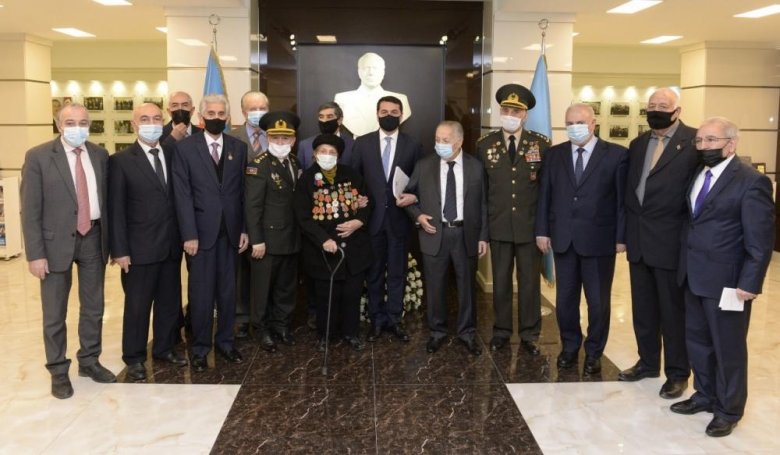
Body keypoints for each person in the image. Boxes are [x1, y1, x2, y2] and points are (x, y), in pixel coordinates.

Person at [671, 117, 774, 437]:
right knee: (698, 342)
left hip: (728, 282)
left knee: (728, 348)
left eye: (711, 140)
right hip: (693, 276)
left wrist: (749, 282)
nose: (704, 146)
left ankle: (729, 409)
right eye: (700, 141)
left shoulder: (752, 181)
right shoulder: (698, 174)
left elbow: (760, 240)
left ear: (731, 144)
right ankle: (705, 395)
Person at [21, 103, 115, 399]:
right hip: (54, 244)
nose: (78, 128)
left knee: (94, 307)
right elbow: (30, 210)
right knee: (54, 312)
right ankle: (58, 370)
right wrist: (35, 254)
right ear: (59, 124)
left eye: (83, 122)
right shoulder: (38, 156)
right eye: (71, 122)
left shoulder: (99, 155)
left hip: (93, 238)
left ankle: (89, 360)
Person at [535, 103, 628, 374]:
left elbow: (622, 201)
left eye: (580, 122)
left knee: (598, 302)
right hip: (563, 239)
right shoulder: (554, 155)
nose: (574, 127)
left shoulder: (617, 155)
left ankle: (594, 352)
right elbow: (545, 195)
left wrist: (621, 237)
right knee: (565, 300)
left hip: (600, 241)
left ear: (593, 123)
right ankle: (570, 347)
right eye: (569, 123)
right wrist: (542, 230)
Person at [619, 88, 699, 399]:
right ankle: (648, 362)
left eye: (663, 106)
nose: (656, 110)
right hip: (639, 240)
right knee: (644, 309)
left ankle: (678, 373)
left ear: (677, 111)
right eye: (651, 105)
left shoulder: (693, 143)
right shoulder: (639, 143)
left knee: (672, 312)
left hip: (670, 242)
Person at [108, 103, 186, 381]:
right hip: (138, 250)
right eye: (144, 119)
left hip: (170, 245)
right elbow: (116, 209)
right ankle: (134, 357)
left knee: (169, 303)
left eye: (156, 118)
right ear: (134, 125)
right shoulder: (120, 161)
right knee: (138, 307)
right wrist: (119, 250)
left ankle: (164, 348)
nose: (151, 123)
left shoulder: (173, 153)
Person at [172, 94, 249, 372]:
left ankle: (226, 343)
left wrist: (243, 229)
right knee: (202, 294)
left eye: (221, 113)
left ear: (228, 117)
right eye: (211, 113)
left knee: (228, 293)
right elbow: (182, 194)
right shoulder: (185, 148)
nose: (216, 118)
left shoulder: (238, 148)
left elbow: (242, 192)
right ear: (201, 116)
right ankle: (201, 348)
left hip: (230, 233)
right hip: (200, 235)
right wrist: (189, 234)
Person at [397, 121, 488, 355]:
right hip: (434, 234)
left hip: (466, 234)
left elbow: (483, 204)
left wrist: (483, 237)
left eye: (445, 140)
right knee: (435, 287)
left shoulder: (476, 167)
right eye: (437, 140)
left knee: (467, 287)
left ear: (459, 142)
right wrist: (418, 216)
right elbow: (407, 197)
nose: (440, 144)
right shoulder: (424, 165)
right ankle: (437, 332)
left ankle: (467, 333)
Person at [476, 83, 550, 355]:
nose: (510, 115)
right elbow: (482, 195)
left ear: (525, 115)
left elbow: (546, 192)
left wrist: (544, 229)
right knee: (501, 284)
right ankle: (501, 331)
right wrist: (483, 233)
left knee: (530, 284)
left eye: (516, 111)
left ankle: (530, 334)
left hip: (530, 229)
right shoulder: (485, 145)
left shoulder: (541, 144)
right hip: (499, 227)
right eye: (506, 110)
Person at [351, 95, 422, 343]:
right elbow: (355, 179)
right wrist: (357, 201)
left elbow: (419, 181)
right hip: (371, 221)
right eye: (384, 111)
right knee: (374, 274)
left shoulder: (413, 145)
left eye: (394, 112)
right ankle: (376, 321)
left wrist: (413, 196)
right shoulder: (362, 143)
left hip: (399, 220)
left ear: (401, 115)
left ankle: (394, 319)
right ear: (377, 114)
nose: (389, 115)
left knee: (397, 273)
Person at [295, 134, 373, 351]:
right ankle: (326, 335)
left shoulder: (351, 175)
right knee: (326, 296)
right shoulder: (306, 180)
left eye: (332, 152)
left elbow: (367, 202)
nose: (327, 156)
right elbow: (303, 217)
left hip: (353, 248)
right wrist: (324, 239)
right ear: (314, 154)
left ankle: (351, 333)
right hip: (323, 249)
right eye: (323, 151)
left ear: (338, 155)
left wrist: (359, 221)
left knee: (352, 293)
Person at [245, 111, 302, 352]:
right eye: (275, 138)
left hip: (292, 238)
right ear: (267, 138)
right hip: (267, 241)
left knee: (286, 288)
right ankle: (261, 329)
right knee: (263, 289)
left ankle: (281, 326)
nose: (280, 142)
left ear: (293, 140)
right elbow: (252, 206)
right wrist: (256, 240)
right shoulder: (259, 165)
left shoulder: (295, 162)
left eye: (285, 138)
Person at [229, 90, 270, 339]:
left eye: (262, 108)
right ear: (243, 112)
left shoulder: (276, 136)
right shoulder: (231, 138)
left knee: (265, 270)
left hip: (269, 215)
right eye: (253, 109)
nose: (258, 113)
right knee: (241, 270)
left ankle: (263, 316)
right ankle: (242, 317)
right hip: (239, 213)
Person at [334, 52, 412, 136]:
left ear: (383, 72)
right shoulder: (342, 99)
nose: (370, 73)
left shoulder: (401, 99)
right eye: (366, 68)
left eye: (375, 68)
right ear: (359, 72)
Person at [298, 101, 355, 170]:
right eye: (321, 117)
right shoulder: (305, 145)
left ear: (340, 120)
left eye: (329, 117)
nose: (324, 121)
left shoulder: (353, 145)